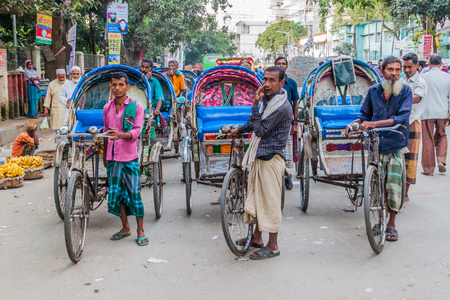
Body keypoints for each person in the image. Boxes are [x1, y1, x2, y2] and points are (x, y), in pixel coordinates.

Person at [345, 56, 412, 241]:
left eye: (398, 70)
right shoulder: (373, 91)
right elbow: (364, 114)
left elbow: (402, 118)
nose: (394, 74)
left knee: (393, 186)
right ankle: (377, 219)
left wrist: (374, 124)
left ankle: (391, 224)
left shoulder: (405, 91)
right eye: (390, 69)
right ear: (382, 71)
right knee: (376, 185)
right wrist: (354, 124)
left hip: (395, 143)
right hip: (375, 144)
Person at [230, 66, 293, 260]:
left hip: (270, 158)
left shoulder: (281, 107)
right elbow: (252, 123)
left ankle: (273, 245)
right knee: (258, 200)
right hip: (260, 155)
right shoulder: (269, 100)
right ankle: (256, 238)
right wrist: (238, 130)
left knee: (270, 203)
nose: (266, 84)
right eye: (265, 79)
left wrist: (255, 106)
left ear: (282, 83)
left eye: (272, 80)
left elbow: (260, 129)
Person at [102, 72, 147, 246]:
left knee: (134, 193)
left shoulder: (137, 108)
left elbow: (136, 131)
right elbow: (106, 133)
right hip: (113, 157)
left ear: (127, 87)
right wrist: (105, 155)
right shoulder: (107, 108)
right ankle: (125, 227)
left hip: (129, 158)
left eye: (121, 85)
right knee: (118, 195)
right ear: (111, 87)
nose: (117, 88)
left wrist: (120, 135)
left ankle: (140, 230)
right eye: (114, 85)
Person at [400, 53, 428, 202]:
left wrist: (402, 100)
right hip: (399, 122)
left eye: (409, 67)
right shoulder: (402, 80)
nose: (406, 69)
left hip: (412, 122)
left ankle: (405, 193)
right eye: (404, 67)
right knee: (399, 157)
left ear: (417, 66)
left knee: (410, 159)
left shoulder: (420, 81)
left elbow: (417, 98)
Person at [420, 54, 450, 175]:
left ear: (429, 63)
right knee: (442, 135)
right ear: (441, 63)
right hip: (443, 111)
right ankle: (441, 161)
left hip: (427, 112)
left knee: (427, 139)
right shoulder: (447, 77)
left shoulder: (423, 77)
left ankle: (429, 169)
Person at [275, 56, 300, 191]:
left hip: (287, 121)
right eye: (279, 63)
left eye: (283, 64)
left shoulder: (291, 83)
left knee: (286, 152)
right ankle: (285, 174)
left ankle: (286, 174)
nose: (281, 65)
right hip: (272, 121)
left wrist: (295, 123)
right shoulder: (269, 82)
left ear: (287, 66)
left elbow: (295, 103)